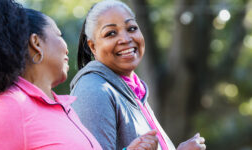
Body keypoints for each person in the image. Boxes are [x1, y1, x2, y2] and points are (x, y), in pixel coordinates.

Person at [0, 0, 159, 149]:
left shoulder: (61, 109)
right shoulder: (11, 106)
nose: (67, 48)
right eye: (58, 35)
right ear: (36, 44)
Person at [70, 0, 207, 150]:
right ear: (93, 46)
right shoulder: (93, 90)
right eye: (111, 33)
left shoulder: (134, 90)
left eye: (131, 28)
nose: (126, 39)